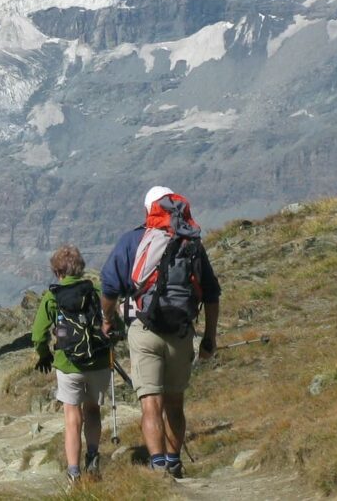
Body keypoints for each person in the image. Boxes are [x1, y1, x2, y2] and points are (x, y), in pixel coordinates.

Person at [99, 186, 221, 478]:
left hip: (145, 329)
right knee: (175, 403)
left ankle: (157, 467)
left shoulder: (132, 241)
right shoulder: (191, 244)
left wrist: (107, 319)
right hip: (181, 332)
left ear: (148, 210)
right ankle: (174, 461)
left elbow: (109, 287)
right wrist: (209, 338)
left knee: (151, 404)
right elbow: (212, 295)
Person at [31, 244, 109, 484]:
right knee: (93, 410)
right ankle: (93, 457)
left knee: (72, 417)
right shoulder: (96, 289)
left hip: (68, 365)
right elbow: (112, 319)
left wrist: (44, 354)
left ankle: (74, 471)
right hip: (98, 361)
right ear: (81, 268)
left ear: (57, 272)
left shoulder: (52, 297)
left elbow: (38, 334)